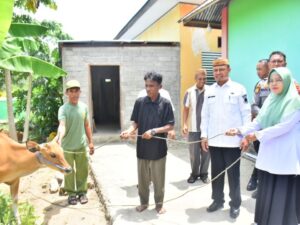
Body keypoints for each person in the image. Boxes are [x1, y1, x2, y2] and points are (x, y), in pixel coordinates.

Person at [226, 67, 300, 225]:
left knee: (281, 191)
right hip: (269, 155)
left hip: (285, 156)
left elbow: (285, 126)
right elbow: (258, 121)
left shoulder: (295, 101)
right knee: (267, 188)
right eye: (271, 80)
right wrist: (240, 130)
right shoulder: (270, 101)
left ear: (287, 81)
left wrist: (258, 135)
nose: (274, 83)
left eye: (278, 80)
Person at [200, 58, 251, 219]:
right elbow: (205, 116)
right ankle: (217, 200)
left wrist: (245, 136)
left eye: (221, 69)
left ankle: (235, 204)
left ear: (228, 69)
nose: (218, 73)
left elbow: (246, 114)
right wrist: (203, 136)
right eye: (215, 70)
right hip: (215, 142)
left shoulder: (238, 89)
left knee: (233, 175)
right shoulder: (209, 90)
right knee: (216, 174)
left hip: (233, 142)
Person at [120, 71, 174, 214]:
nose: (148, 88)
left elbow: (170, 126)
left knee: (158, 180)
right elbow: (136, 122)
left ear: (160, 87)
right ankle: (143, 203)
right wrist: (129, 131)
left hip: (158, 150)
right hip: (142, 149)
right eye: (146, 85)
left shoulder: (166, 104)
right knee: (142, 180)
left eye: (152, 85)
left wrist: (154, 131)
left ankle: (159, 204)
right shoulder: (140, 102)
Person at [55, 80, 94, 205]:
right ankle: (71, 194)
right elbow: (62, 125)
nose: (74, 94)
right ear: (67, 93)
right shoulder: (63, 109)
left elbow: (87, 125)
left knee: (83, 170)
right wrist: (59, 138)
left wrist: (91, 142)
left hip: (81, 145)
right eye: (71, 91)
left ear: (80, 92)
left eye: (76, 90)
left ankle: (82, 192)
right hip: (67, 147)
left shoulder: (84, 107)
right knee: (69, 171)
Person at [182, 68, 210, 184]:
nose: (202, 81)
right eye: (200, 79)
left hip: (207, 129)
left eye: (204, 79)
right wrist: (184, 124)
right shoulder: (189, 92)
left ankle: (204, 174)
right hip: (193, 129)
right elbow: (186, 109)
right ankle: (194, 174)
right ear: (195, 79)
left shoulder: (210, 91)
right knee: (194, 153)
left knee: (206, 153)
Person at [247, 59, 270, 196]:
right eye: (256, 69)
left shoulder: (280, 83)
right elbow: (254, 104)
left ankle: (259, 184)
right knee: (261, 154)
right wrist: (264, 115)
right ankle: (256, 178)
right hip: (260, 127)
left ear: (268, 68)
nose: (257, 72)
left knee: (266, 157)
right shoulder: (260, 85)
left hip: (274, 129)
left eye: (259, 69)